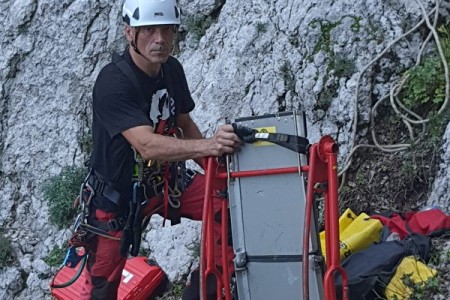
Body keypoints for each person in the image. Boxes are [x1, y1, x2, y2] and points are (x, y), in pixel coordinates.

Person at [80, 0, 240, 299]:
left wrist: (215, 171)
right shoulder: (112, 82)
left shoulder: (171, 69)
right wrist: (211, 145)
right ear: (129, 33)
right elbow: (146, 144)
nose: (160, 39)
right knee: (104, 284)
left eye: (167, 30)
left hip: (165, 182)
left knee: (231, 202)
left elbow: (183, 122)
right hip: (117, 196)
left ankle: (204, 289)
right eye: (149, 30)